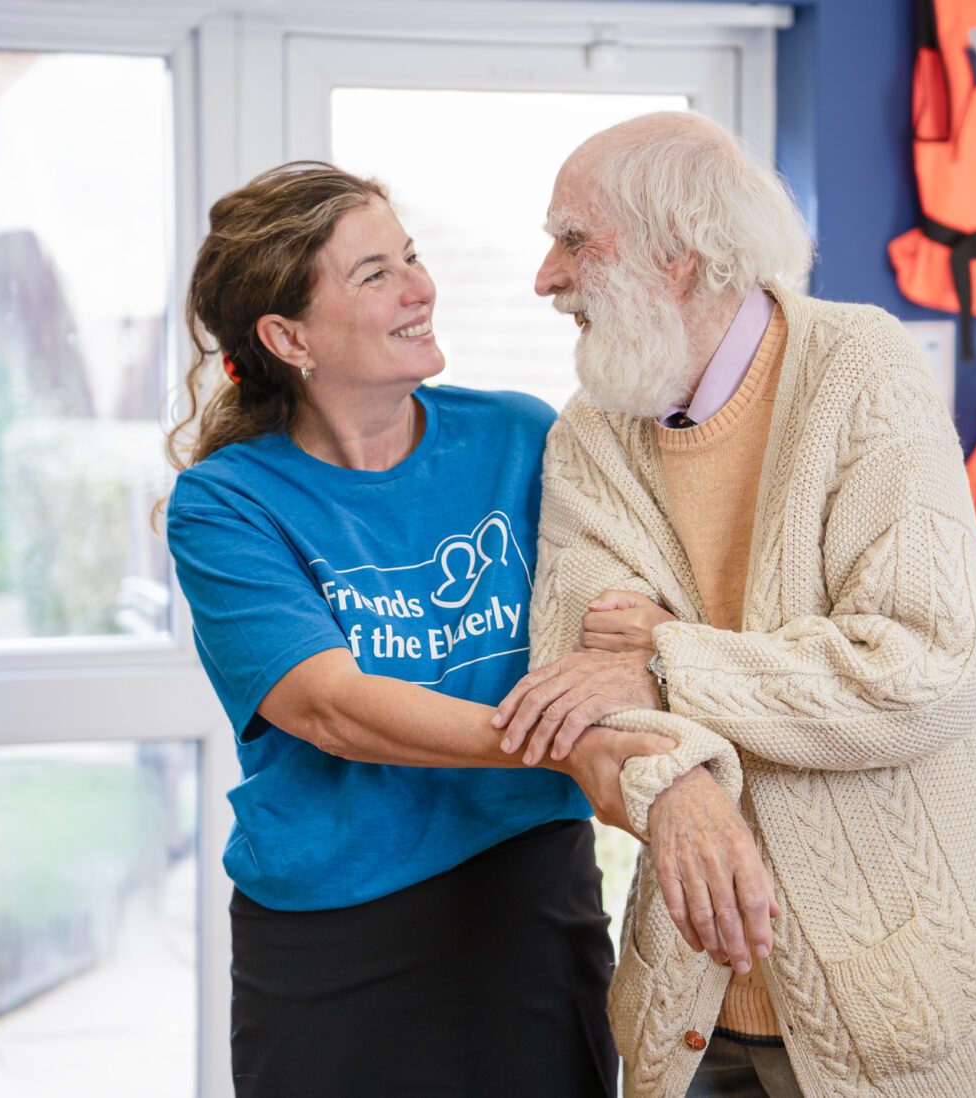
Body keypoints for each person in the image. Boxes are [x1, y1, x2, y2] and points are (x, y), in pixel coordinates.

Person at [495, 113, 976, 1096]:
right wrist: (682, 786)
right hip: (688, 999)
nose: (546, 277)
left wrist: (669, 661)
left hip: (894, 1003)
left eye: (575, 238)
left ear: (682, 254)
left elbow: (921, 673)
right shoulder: (590, 434)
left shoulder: (863, 372)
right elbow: (580, 689)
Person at [164, 161, 675, 1097]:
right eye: (374, 275)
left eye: (411, 256)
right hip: (332, 929)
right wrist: (564, 749)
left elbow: (631, 607)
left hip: (527, 894)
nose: (419, 287)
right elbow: (328, 709)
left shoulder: (523, 438)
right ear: (288, 337)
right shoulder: (226, 504)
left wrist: (641, 637)